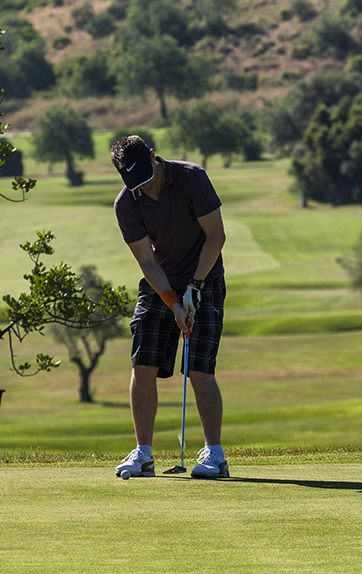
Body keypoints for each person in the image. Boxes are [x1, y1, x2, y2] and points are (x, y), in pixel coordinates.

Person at [110, 135, 229, 478]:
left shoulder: (192, 178)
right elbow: (147, 261)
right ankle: (143, 454)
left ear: (153, 156)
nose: (143, 188)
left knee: (199, 369)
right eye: (135, 183)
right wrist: (173, 302)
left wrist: (194, 287)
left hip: (205, 277)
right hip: (160, 283)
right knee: (142, 364)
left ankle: (215, 456)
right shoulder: (127, 203)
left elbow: (216, 236)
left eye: (146, 178)